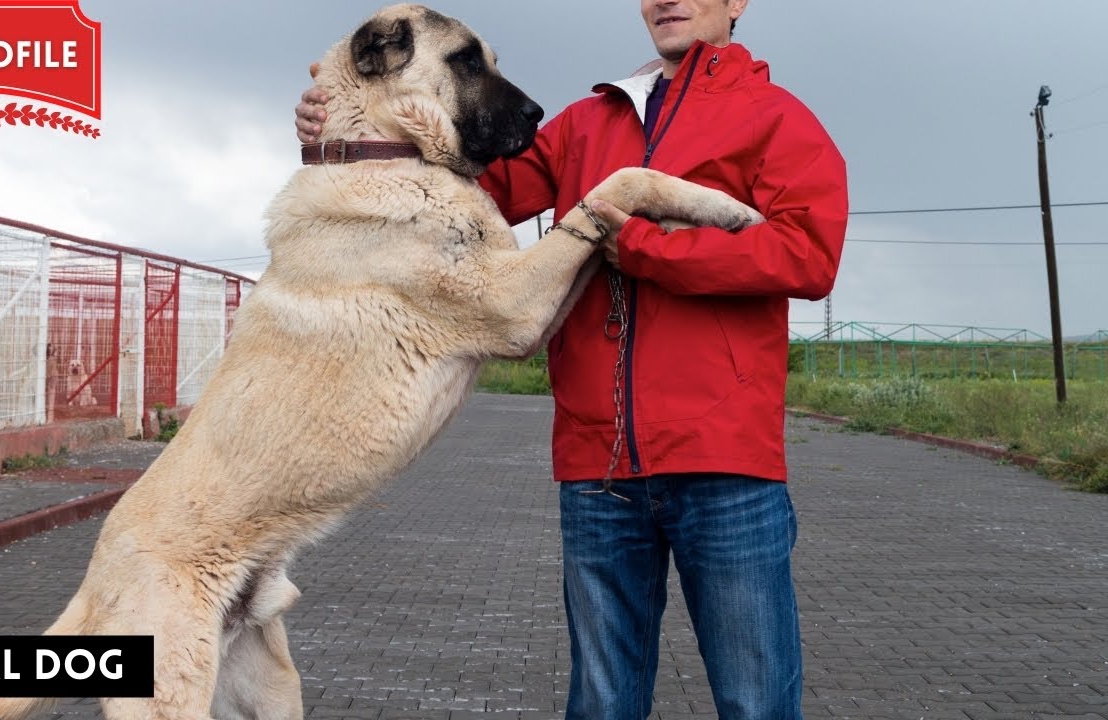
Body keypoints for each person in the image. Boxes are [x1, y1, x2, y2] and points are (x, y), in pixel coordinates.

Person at [296, 1, 847, 717]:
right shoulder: (587, 123)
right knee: (602, 703)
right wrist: (344, 127)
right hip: (597, 466)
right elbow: (466, 189)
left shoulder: (775, 117)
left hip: (725, 466)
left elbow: (808, 254)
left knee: (755, 702)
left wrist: (648, 248)